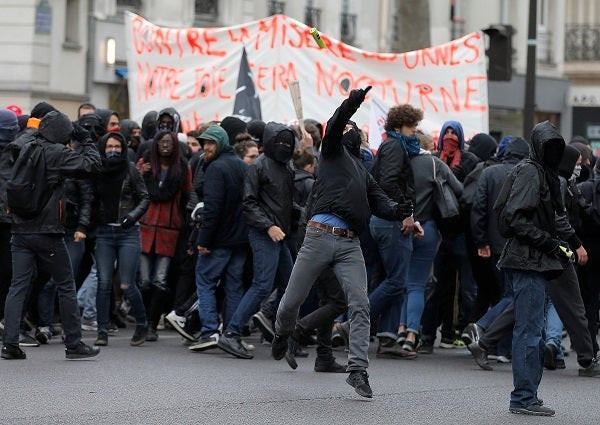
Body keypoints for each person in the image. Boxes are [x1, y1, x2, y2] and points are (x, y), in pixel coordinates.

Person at [273, 87, 414, 398]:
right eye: (348, 128)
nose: (349, 130)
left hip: (350, 244)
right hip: (319, 237)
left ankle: (358, 370)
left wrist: (399, 210)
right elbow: (336, 123)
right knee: (293, 301)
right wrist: (352, 103)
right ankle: (282, 333)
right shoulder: (332, 153)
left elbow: (381, 203)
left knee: (360, 304)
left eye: (355, 129)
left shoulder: (363, 173)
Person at [496, 121, 581, 416]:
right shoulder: (532, 172)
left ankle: (526, 395)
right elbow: (515, 219)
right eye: (551, 147)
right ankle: (523, 397)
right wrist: (550, 244)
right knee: (530, 331)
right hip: (528, 259)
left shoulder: (535, 171)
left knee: (533, 330)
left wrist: (552, 245)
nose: (554, 153)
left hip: (531, 259)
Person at [1, 111, 101, 360]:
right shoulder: (56, 152)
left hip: (20, 229)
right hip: (48, 231)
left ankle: (10, 343)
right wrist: (86, 139)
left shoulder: (27, 146)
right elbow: (91, 165)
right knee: (66, 285)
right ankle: (75, 344)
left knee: (18, 286)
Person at [217, 121, 296, 360]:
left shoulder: (287, 167)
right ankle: (231, 333)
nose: (283, 146)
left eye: (287, 142)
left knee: (291, 284)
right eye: (279, 142)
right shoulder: (258, 167)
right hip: (264, 233)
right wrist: (269, 225)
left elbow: (284, 203)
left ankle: (280, 333)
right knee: (262, 284)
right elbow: (249, 203)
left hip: (279, 234)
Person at [368, 103, 422, 358]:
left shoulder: (391, 145)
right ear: (400, 126)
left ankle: (388, 338)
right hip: (390, 222)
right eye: (412, 127)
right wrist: (406, 213)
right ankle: (355, 321)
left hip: (383, 220)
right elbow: (388, 182)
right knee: (397, 280)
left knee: (392, 281)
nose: (415, 132)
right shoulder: (395, 146)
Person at [191, 126, 248, 352]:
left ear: (221, 143)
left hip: (220, 240)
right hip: (240, 240)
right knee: (234, 286)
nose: (206, 147)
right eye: (204, 143)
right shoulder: (243, 166)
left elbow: (212, 209)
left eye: (211, 143)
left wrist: (203, 240)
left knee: (205, 281)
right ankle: (230, 333)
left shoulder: (215, 168)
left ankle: (209, 331)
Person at [92, 132, 150, 346]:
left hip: (128, 233)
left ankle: (143, 325)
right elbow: (90, 198)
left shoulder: (131, 170)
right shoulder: (97, 170)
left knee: (127, 284)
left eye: (117, 146)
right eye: (109, 147)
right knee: (104, 283)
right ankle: (102, 331)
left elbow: (144, 198)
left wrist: (132, 216)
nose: (113, 150)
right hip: (105, 233)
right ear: (102, 148)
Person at [138, 130, 192, 341]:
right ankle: (142, 322)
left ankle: (151, 323)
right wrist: (140, 174)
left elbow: (187, 197)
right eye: (161, 142)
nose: (165, 146)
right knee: (143, 280)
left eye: (169, 142)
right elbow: (131, 190)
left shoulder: (182, 168)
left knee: (160, 280)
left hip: (170, 230)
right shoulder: (145, 165)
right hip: (145, 227)